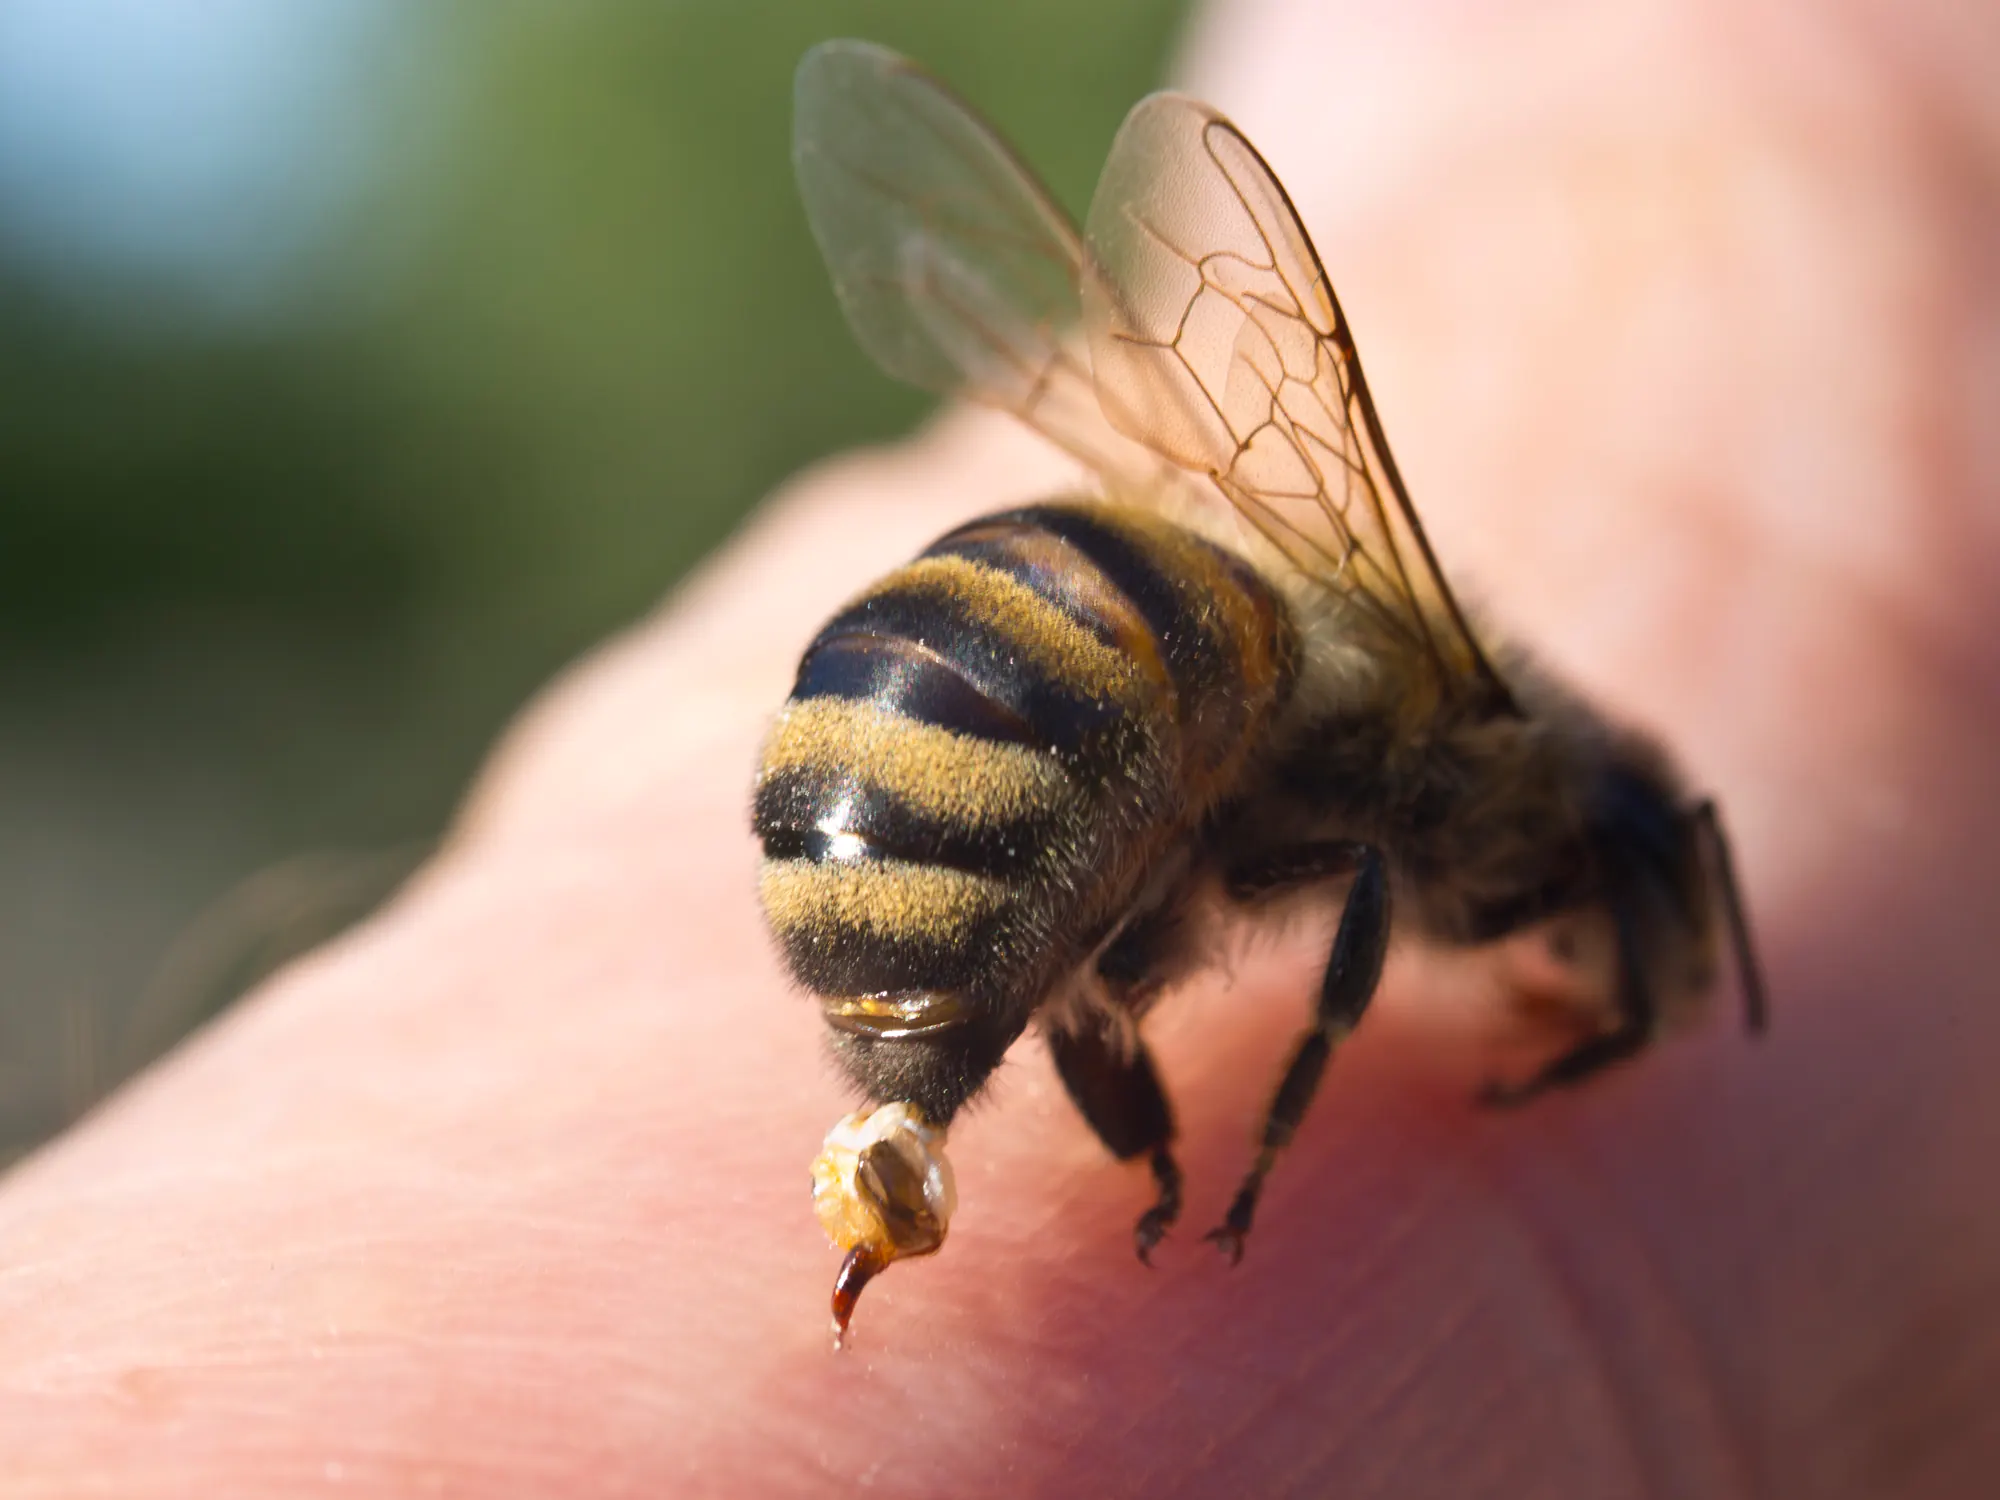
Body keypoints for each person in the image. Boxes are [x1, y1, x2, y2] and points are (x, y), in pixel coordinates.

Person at [4, 0, 1995, 1491]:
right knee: (1217, 831)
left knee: (1138, 830)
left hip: (928, 704)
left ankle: (978, 1110)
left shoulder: (1294, 698)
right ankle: (1093, 1142)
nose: (1584, 950)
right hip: (1040, 701)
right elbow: (1329, 867)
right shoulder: (1441, 762)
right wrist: (1277, 1138)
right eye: (1611, 917)